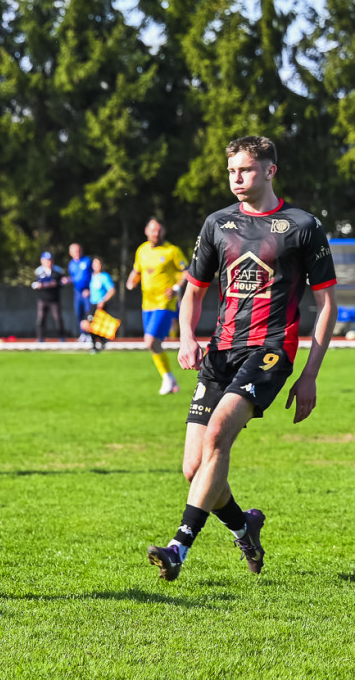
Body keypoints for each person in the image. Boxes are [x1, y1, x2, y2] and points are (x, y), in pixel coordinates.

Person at [146, 135, 337, 581]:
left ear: (270, 170)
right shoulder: (217, 224)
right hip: (220, 351)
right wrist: (187, 338)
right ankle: (244, 526)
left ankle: (178, 548)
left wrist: (310, 375)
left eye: (246, 169)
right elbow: (193, 291)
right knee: (193, 468)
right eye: (231, 170)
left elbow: (327, 305)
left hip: (270, 352)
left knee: (217, 436)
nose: (237, 178)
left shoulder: (302, 226)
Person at [126, 218, 189, 394]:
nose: (156, 233)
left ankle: (168, 379)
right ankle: (169, 379)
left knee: (150, 341)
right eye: (153, 230)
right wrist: (132, 280)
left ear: (164, 231)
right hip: (147, 303)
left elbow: (187, 271)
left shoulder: (172, 250)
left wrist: (176, 288)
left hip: (165, 302)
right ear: (146, 231)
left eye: (159, 230)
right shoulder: (142, 250)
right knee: (153, 344)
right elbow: (137, 270)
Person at [32, 251, 68, 342]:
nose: (49, 262)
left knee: (58, 318)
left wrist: (55, 284)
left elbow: (60, 284)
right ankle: (40, 337)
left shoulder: (57, 271)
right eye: (46, 260)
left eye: (50, 260)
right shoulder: (39, 272)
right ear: (42, 261)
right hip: (43, 299)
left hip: (54, 299)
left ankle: (62, 336)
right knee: (41, 319)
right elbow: (34, 284)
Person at [83, 256, 115, 352]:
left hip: (100, 305)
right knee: (89, 325)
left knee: (89, 324)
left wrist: (103, 301)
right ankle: (99, 342)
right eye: (95, 264)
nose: (97, 266)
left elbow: (112, 290)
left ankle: (98, 343)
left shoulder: (104, 276)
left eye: (99, 264)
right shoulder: (93, 276)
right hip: (93, 304)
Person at [68, 243, 93, 342]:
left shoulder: (87, 261)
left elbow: (93, 274)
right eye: (74, 251)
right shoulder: (71, 264)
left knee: (89, 313)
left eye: (78, 250)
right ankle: (83, 334)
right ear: (71, 253)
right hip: (77, 292)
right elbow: (74, 277)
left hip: (87, 291)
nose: (77, 253)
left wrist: (90, 289)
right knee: (79, 313)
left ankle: (91, 334)